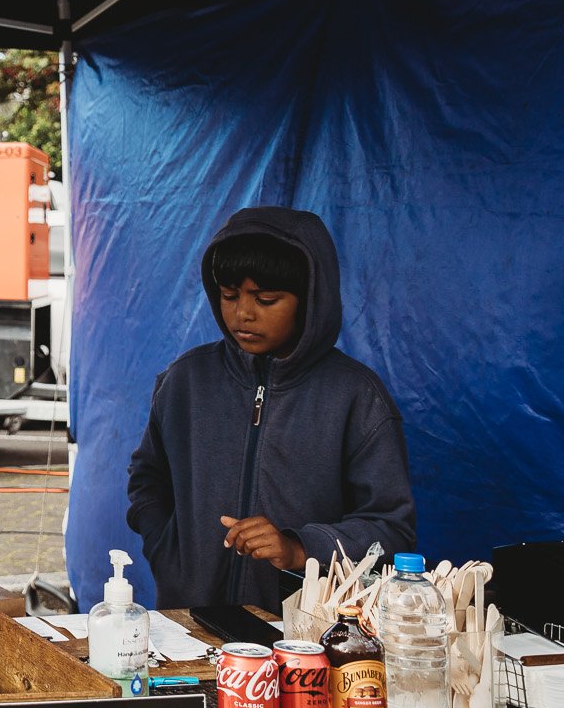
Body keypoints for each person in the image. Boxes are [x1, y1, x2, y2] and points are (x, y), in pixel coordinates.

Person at [126, 207, 416, 611]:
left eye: (266, 299)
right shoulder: (184, 382)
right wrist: (168, 550)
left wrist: (299, 548)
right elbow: (147, 481)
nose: (243, 313)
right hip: (187, 623)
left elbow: (391, 529)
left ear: (309, 300)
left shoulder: (356, 397)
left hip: (305, 637)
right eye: (229, 295)